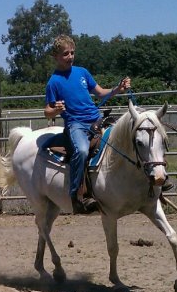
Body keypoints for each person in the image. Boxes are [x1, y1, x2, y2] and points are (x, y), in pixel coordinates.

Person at [44, 35, 131, 214]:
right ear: (56, 57)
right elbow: (47, 111)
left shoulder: (82, 72)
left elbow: (100, 93)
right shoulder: (53, 82)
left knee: (127, 137)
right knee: (82, 151)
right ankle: (77, 195)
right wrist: (56, 110)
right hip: (76, 125)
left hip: (96, 120)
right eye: (65, 54)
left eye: (72, 53)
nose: (70, 57)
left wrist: (117, 89)